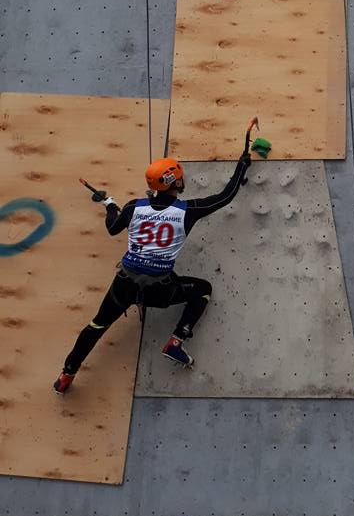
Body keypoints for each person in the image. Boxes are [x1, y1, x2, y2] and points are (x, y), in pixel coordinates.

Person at [53, 150, 252, 394]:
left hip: (124, 285)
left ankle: (66, 374)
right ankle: (176, 340)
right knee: (203, 290)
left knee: (96, 325)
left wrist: (110, 206)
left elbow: (113, 228)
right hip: (161, 290)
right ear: (174, 182)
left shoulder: (133, 207)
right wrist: (242, 165)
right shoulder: (187, 210)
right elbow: (225, 197)